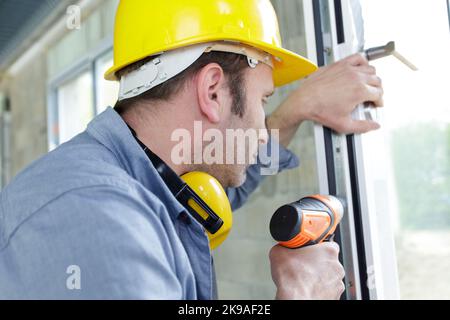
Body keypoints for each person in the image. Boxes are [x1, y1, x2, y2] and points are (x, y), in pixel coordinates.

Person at [0, 0, 383, 299]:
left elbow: (229, 173)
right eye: (262, 100)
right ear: (213, 91)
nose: (261, 127)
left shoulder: (144, 179)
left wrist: (298, 109)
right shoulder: (101, 217)